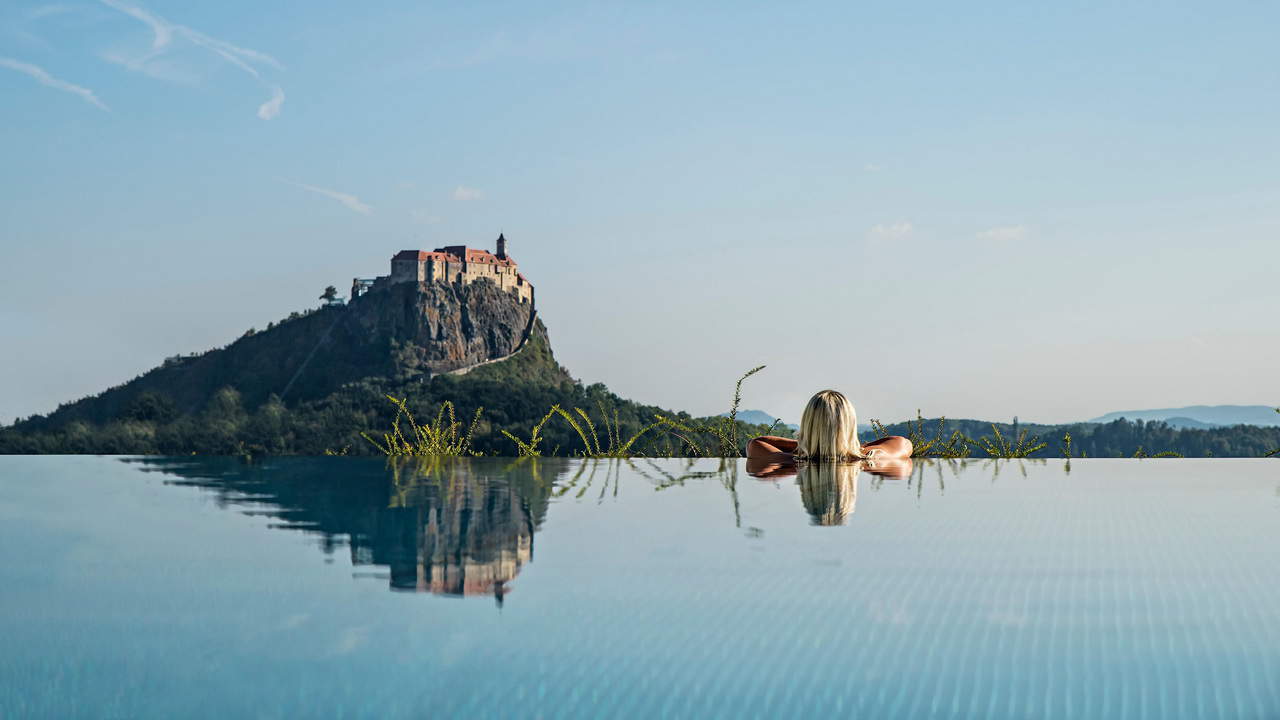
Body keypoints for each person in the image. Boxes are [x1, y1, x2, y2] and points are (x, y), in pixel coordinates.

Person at [746, 389, 912, 463]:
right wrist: (852, 448)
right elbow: (904, 443)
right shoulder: (872, 457)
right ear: (850, 424)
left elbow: (756, 443)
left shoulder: (791, 460)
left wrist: (809, 446)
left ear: (808, 423)